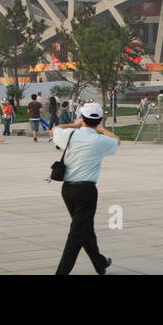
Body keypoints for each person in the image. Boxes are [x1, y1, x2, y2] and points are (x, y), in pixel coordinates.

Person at [51, 102, 118, 275]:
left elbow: (54, 129)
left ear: (82, 118)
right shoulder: (100, 140)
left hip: (67, 190)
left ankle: (99, 262)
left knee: (84, 228)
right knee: (76, 234)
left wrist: (75, 124)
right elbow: (117, 140)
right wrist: (101, 129)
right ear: (100, 120)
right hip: (86, 191)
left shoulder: (70, 134)